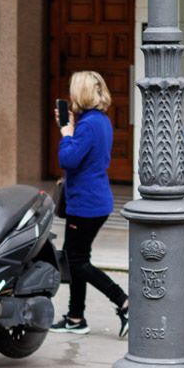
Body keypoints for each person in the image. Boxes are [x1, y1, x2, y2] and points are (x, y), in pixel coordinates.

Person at [51, 70, 129, 336]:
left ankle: (124, 302)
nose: (70, 95)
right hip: (93, 199)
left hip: (86, 204)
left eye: (73, 90)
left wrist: (66, 132)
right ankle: (75, 318)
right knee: (76, 260)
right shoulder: (100, 120)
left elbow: (68, 159)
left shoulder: (88, 125)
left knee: (77, 261)